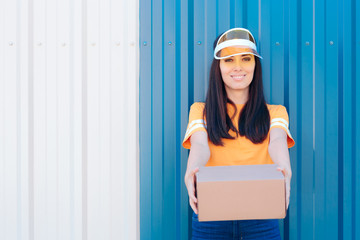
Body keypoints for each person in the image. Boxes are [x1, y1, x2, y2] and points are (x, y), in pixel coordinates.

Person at [182, 28, 295, 240]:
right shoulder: (200, 111)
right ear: (218, 67)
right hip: (211, 215)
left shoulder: (276, 113)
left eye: (246, 59)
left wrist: (285, 169)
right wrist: (191, 171)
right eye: (228, 60)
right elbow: (199, 145)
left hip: (262, 214)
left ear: (255, 65)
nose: (238, 67)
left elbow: (277, 140)